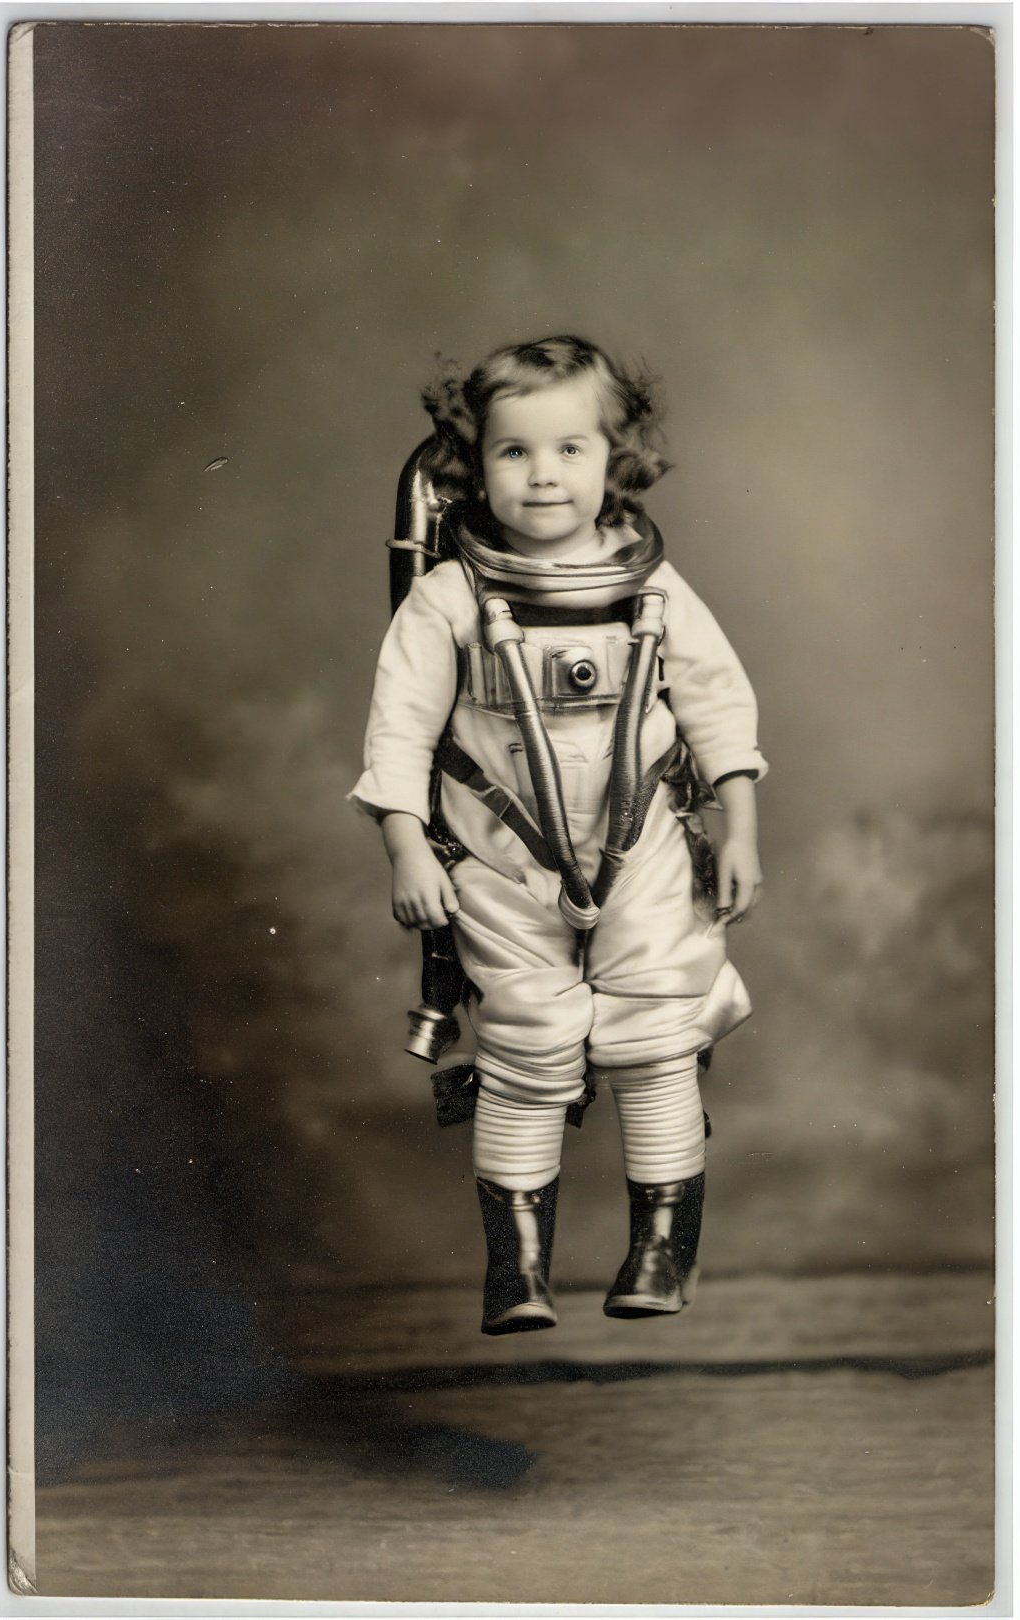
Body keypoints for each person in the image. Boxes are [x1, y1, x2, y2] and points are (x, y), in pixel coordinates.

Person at [350, 335, 767, 1335]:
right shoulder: (448, 600)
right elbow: (400, 728)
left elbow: (716, 703)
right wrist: (407, 845)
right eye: (514, 452)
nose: (543, 475)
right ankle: (518, 1268)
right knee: (529, 1048)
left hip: (646, 855)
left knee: (657, 1040)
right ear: (472, 466)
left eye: (571, 449)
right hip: (501, 868)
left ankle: (662, 1251)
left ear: (617, 460)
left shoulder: (651, 585)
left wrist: (742, 821)